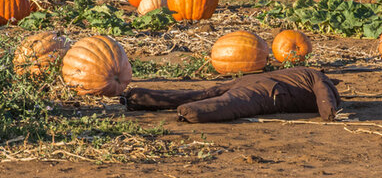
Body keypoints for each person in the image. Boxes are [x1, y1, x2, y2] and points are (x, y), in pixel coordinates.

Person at [122, 67, 341, 123]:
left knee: (199, 93)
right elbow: (324, 93)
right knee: (235, 102)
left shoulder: (298, 72)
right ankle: (192, 113)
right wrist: (329, 113)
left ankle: (137, 97)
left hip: (250, 78)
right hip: (270, 89)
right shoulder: (317, 76)